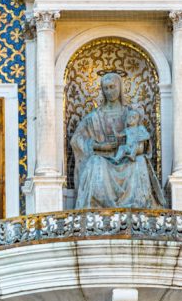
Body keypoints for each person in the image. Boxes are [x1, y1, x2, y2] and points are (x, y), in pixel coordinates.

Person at [71, 71, 165, 210]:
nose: (109, 91)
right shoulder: (94, 117)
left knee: (140, 161)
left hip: (127, 158)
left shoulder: (131, 113)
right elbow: (76, 139)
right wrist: (99, 147)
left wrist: (135, 146)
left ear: (120, 87)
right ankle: (97, 206)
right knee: (95, 162)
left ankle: (138, 206)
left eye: (112, 87)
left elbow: (142, 138)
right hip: (103, 158)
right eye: (106, 88)